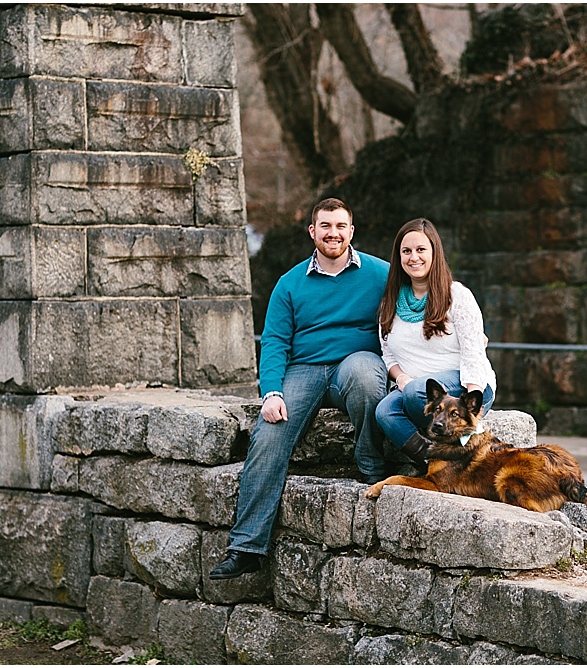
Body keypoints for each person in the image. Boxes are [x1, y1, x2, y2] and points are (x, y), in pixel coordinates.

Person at [210, 198, 390, 579]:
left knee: (366, 374)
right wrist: (272, 392)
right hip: (304, 370)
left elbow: (422, 299)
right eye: (325, 226)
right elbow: (275, 341)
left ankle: (371, 466)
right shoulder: (290, 283)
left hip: (354, 363)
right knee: (269, 433)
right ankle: (246, 547)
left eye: (340, 226)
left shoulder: (380, 274)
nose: (333, 233)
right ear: (312, 231)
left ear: (351, 231)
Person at [374, 217, 496, 469]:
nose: (413, 257)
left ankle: (460, 456)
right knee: (385, 411)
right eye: (406, 251)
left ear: (434, 253)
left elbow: (473, 352)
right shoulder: (389, 303)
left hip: (463, 384)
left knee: (415, 393)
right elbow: (388, 354)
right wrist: (401, 378)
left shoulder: (457, 295)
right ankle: (436, 464)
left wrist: (472, 405)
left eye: (421, 249)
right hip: (416, 388)